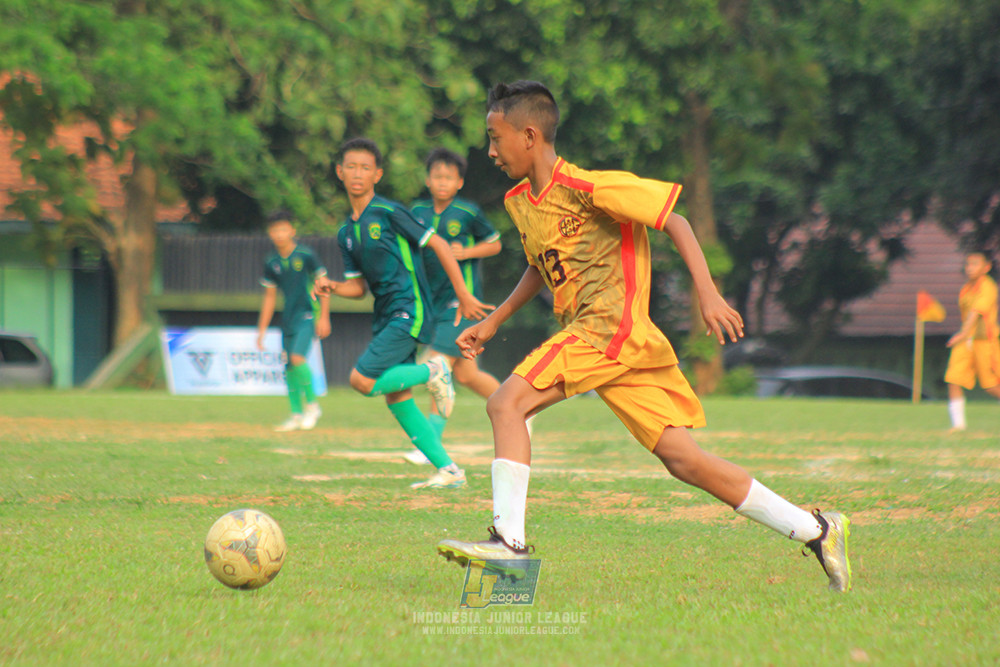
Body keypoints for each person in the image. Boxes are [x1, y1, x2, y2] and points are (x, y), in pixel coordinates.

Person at [436, 81, 852, 592]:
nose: (491, 151)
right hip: (605, 342)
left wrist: (710, 294)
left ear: (529, 135)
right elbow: (539, 266)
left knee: (505, 404)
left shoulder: (591, 187)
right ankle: (819, 529)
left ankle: (510, 548)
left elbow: (674, 220)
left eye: (495, 138)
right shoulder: (521, 201)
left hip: (611, 329)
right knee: (684, 460)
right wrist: (495, 319)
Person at [313, 138, 493, 489]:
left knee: (361, 381)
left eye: (366, 167)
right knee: (396, 395)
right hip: (385, 314)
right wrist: (332, 287)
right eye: (351, 166)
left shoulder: (390, 212)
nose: (357, 173)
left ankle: (434, 370)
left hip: (410, 310)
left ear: (377, 174)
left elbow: (439, 244)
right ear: (339, 171)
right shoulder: (346, 233)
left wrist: (462, 292)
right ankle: (450, 471)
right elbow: (358, 288)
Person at [403, 148, 503, 465]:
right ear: (428, 180)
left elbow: (496, 243)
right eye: (437, 176)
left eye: (449, 177)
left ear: (459, 182)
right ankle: (518, 409)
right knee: (467, 376)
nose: (442, 182)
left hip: (463, 305)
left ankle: (429, 443)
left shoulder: (467, 212)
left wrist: (468, 252)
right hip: (432, 304)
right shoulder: (416, 211)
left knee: (437, 367)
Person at [257, 210, 330, 432]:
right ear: (270, 233)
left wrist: (324, 317)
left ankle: (313, 406)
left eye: (283, 229)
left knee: (297, 358)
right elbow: (269, 298)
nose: (279, 234)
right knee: (288, 366)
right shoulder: (271, 262)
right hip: (287, 319)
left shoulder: (306, 255)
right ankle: (296, 414)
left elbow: (323, 285)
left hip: (308, 315)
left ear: (292, 231)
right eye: (275, 230)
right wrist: (261, 330)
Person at [945, 251, 1000, 431]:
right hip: (967, 340)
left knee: (991, 386)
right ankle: (958, 425)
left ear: (986, 267)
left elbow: (976, 313)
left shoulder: (988, 287)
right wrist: (964, 336)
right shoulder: (966, 289)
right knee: (953, 378)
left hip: (985, 342)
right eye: (968, 264)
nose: (970, 268)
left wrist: (962, 333)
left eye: (975, 264)